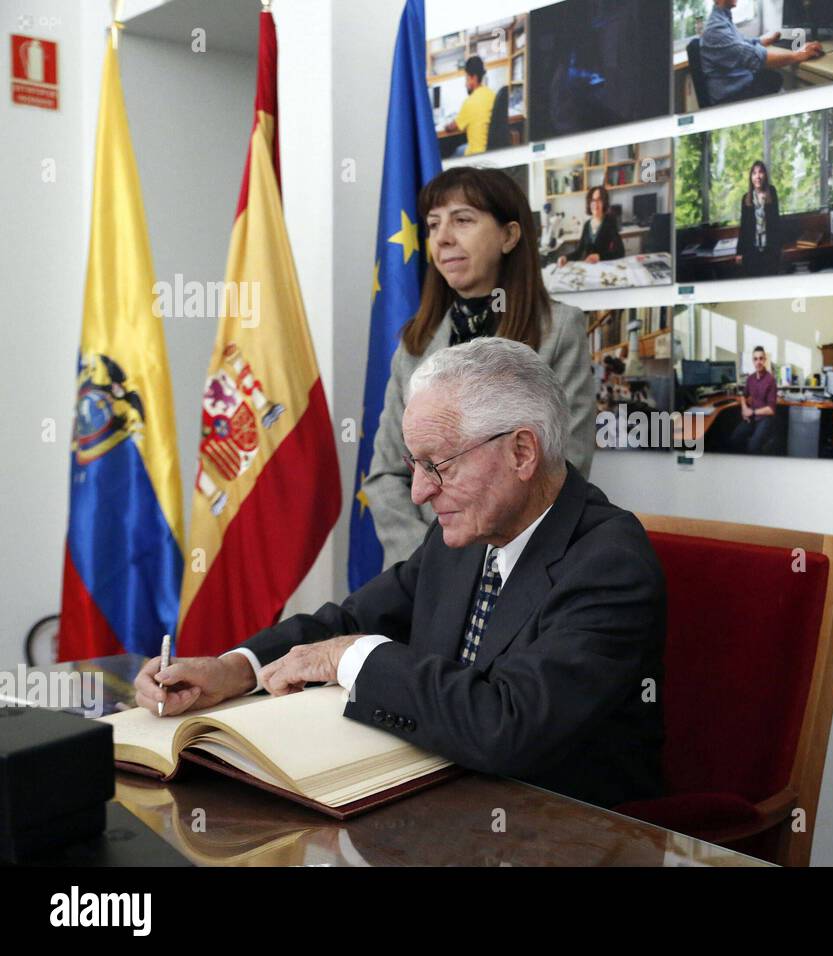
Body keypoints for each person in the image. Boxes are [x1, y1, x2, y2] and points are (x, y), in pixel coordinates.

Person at [133, 338, 667, 811]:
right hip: (442, 801)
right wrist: (235, 669)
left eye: (438, 464)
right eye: (415, 465)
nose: (418, 493)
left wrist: (352, 655)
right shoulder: (467, 530)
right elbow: (351, 618)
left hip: (564, 830)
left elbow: (508, 726)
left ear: (522, 452)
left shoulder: (609, 562)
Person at [363, 166, 595, 571]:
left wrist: (477, 568)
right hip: (418, 571)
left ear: (509, 235)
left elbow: (562, 468)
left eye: (463, 220)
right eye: (434, 225)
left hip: (516, 570)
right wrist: (430, 564)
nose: (443, 238)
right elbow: (385, 477)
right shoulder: (413, 345)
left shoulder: (560, 331)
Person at [699, 0, 823, 106]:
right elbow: (756, 59)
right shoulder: (716, 29)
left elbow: (741, 42)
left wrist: (763, 41)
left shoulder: (723, 18)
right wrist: (798, 54)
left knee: (773, 77)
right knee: (775, 78)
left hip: (737, 82)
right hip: (730, 96)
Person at [557, 186, 624, 267]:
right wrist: (565, 258)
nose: (595, 203)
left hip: (605, 268)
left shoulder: (609, 223)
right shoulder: (587, 225)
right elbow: (579, 251)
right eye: (593, 200)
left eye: (599, 200)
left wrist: (599, 256)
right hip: (589, 269)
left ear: (604, 203)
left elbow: (620, 252)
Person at [728, 345, 777, 454]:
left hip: (765, 419)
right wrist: (744, 409)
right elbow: (743, 395)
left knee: (752, 447)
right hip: (752, 418)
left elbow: (771, 409)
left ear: (765, 360)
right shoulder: (750, 378)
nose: (758, 362)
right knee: (734, 438)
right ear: (753, 361)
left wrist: (752, 412)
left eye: (761, 358)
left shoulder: (771, 380)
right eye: (755, 359)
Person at [737, 161, 782, 277]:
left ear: (765, 175)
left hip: (770, 249)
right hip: (752, 251)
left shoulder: (771, 192)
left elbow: (776, 221)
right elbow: (743, 226)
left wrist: (778, 247)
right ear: (751, 177)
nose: (757, 176)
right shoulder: (746, 199)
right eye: (754, 173)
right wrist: (739, 252)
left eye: (760, 172)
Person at [442, 55, 494, 157]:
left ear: (473, 78)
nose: (465, 84)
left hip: (475, 155)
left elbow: (452, 127)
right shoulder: (492, 94)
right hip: (491, 150)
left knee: (452, 154)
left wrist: (446, 126)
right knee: (460, 148)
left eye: (466, 78)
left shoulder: (470, 102)